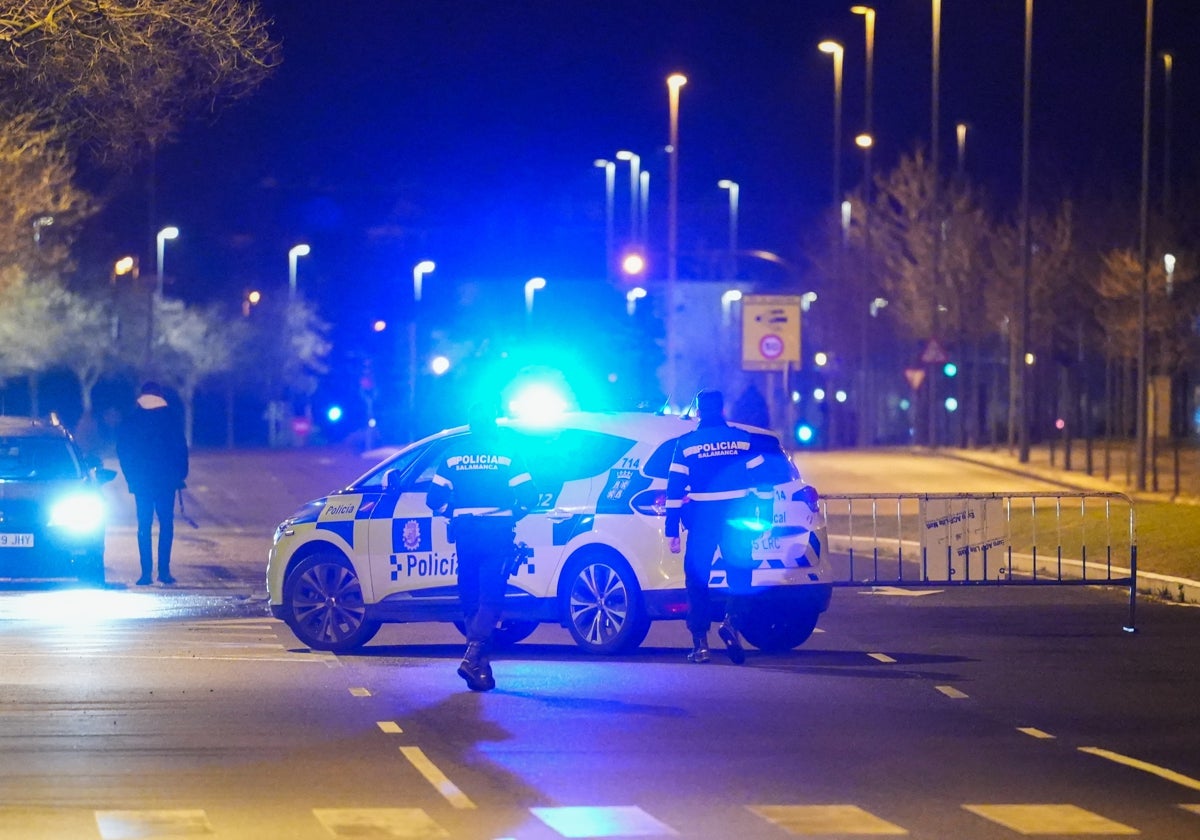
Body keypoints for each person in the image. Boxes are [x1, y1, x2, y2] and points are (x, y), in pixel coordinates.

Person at [426, 402, 537, 691]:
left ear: (470, 425)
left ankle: (480, 671)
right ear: (494, 424)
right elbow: (529, 497)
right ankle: (473, 654)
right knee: (492, 596)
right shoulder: (507, 454)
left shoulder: (452, 456)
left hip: (465, 533)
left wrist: (453, 512)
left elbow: (433, 500)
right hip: (496, 531)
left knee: (470, 595)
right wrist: (513, 513)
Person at [665, 389, 769, 664]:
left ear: (699, 411)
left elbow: (674, 490)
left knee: (697, 579)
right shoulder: (743, 440)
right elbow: (763, 479)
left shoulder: (686, 444)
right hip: (737, 517)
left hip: (702, 519)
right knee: (741, 574)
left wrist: (671, 531)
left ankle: (700, 644)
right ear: (723, 410)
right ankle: (732, 622)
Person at [116, 382, 189, 586]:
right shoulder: (171, 418)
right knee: (166, 525)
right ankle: (164, 572)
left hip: (142, 482)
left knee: (144, 526)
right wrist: (180, 474)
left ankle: (145, 573)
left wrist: (131, 476)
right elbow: (180, 448)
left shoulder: (132, 419)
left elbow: (123, 449)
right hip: (166, 481)